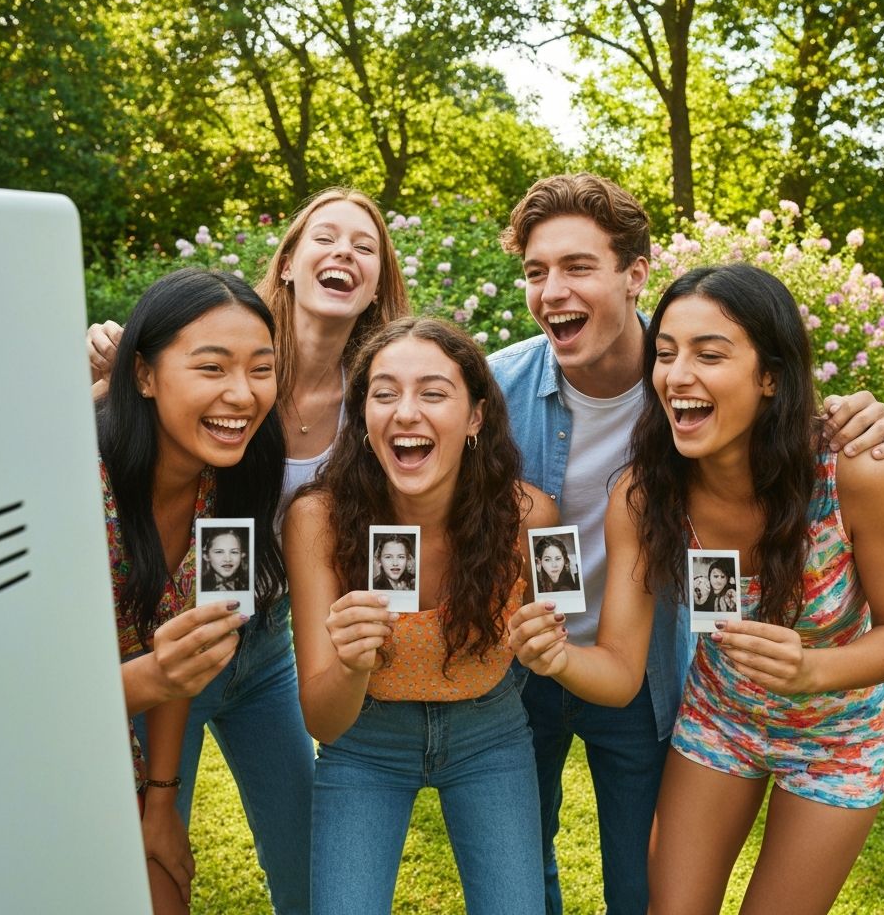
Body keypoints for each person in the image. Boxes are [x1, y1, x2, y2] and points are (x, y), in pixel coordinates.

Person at [487, 173, 884, 914]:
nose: (680, 375)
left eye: (578, 266)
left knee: (637, 886)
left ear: (633, 274)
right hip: (589, 676)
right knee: (527, 875)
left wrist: (812, 669)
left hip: (714, 698)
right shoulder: (502, 398)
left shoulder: (820, 455)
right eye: (536, 271)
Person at [87, 187, 409, 913]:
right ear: (289, 262)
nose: (240, 392)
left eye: (367, 246)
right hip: (134, 664)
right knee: (137, 874)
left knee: (309, 867)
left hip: (253, 646)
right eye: (326, 238)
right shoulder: (105, 472)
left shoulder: (375, 401)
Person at [284, 317, 559, 915]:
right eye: (384, 394)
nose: (406, 411)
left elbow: (561, 633)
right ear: (362, 418)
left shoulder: (530, 517)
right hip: (363, 739)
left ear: (477, 416)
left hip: (491, 733)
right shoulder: (318, 521)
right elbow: (324, 722)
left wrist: (548, 644)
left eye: (433, 392)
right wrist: (353, 663)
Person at [97, 268, 286, 913]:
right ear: (144, 375)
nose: (242, 394)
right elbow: (10, 698)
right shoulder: (74, 487)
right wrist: (152, 677)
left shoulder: (228, 485)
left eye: (262, 369)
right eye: (212, 368)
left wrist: (160, 803)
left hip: (122, 740)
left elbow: (187, 657)